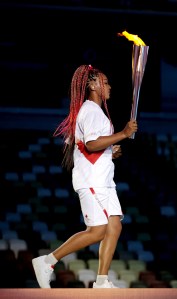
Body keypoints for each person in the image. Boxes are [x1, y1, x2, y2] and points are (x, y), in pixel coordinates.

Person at [32, 64, 138, 288]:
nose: (109, 86)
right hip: (92, 181)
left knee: (114, 225)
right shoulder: (90, 110)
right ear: (92, 85)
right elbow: (90, 144)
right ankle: (47, 261)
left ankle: (101, 281)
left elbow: (90, 145)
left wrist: (111, 150)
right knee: (98, 231)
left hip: (104, 181)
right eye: (105, 82)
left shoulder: (95, 112)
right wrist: (123, 134)